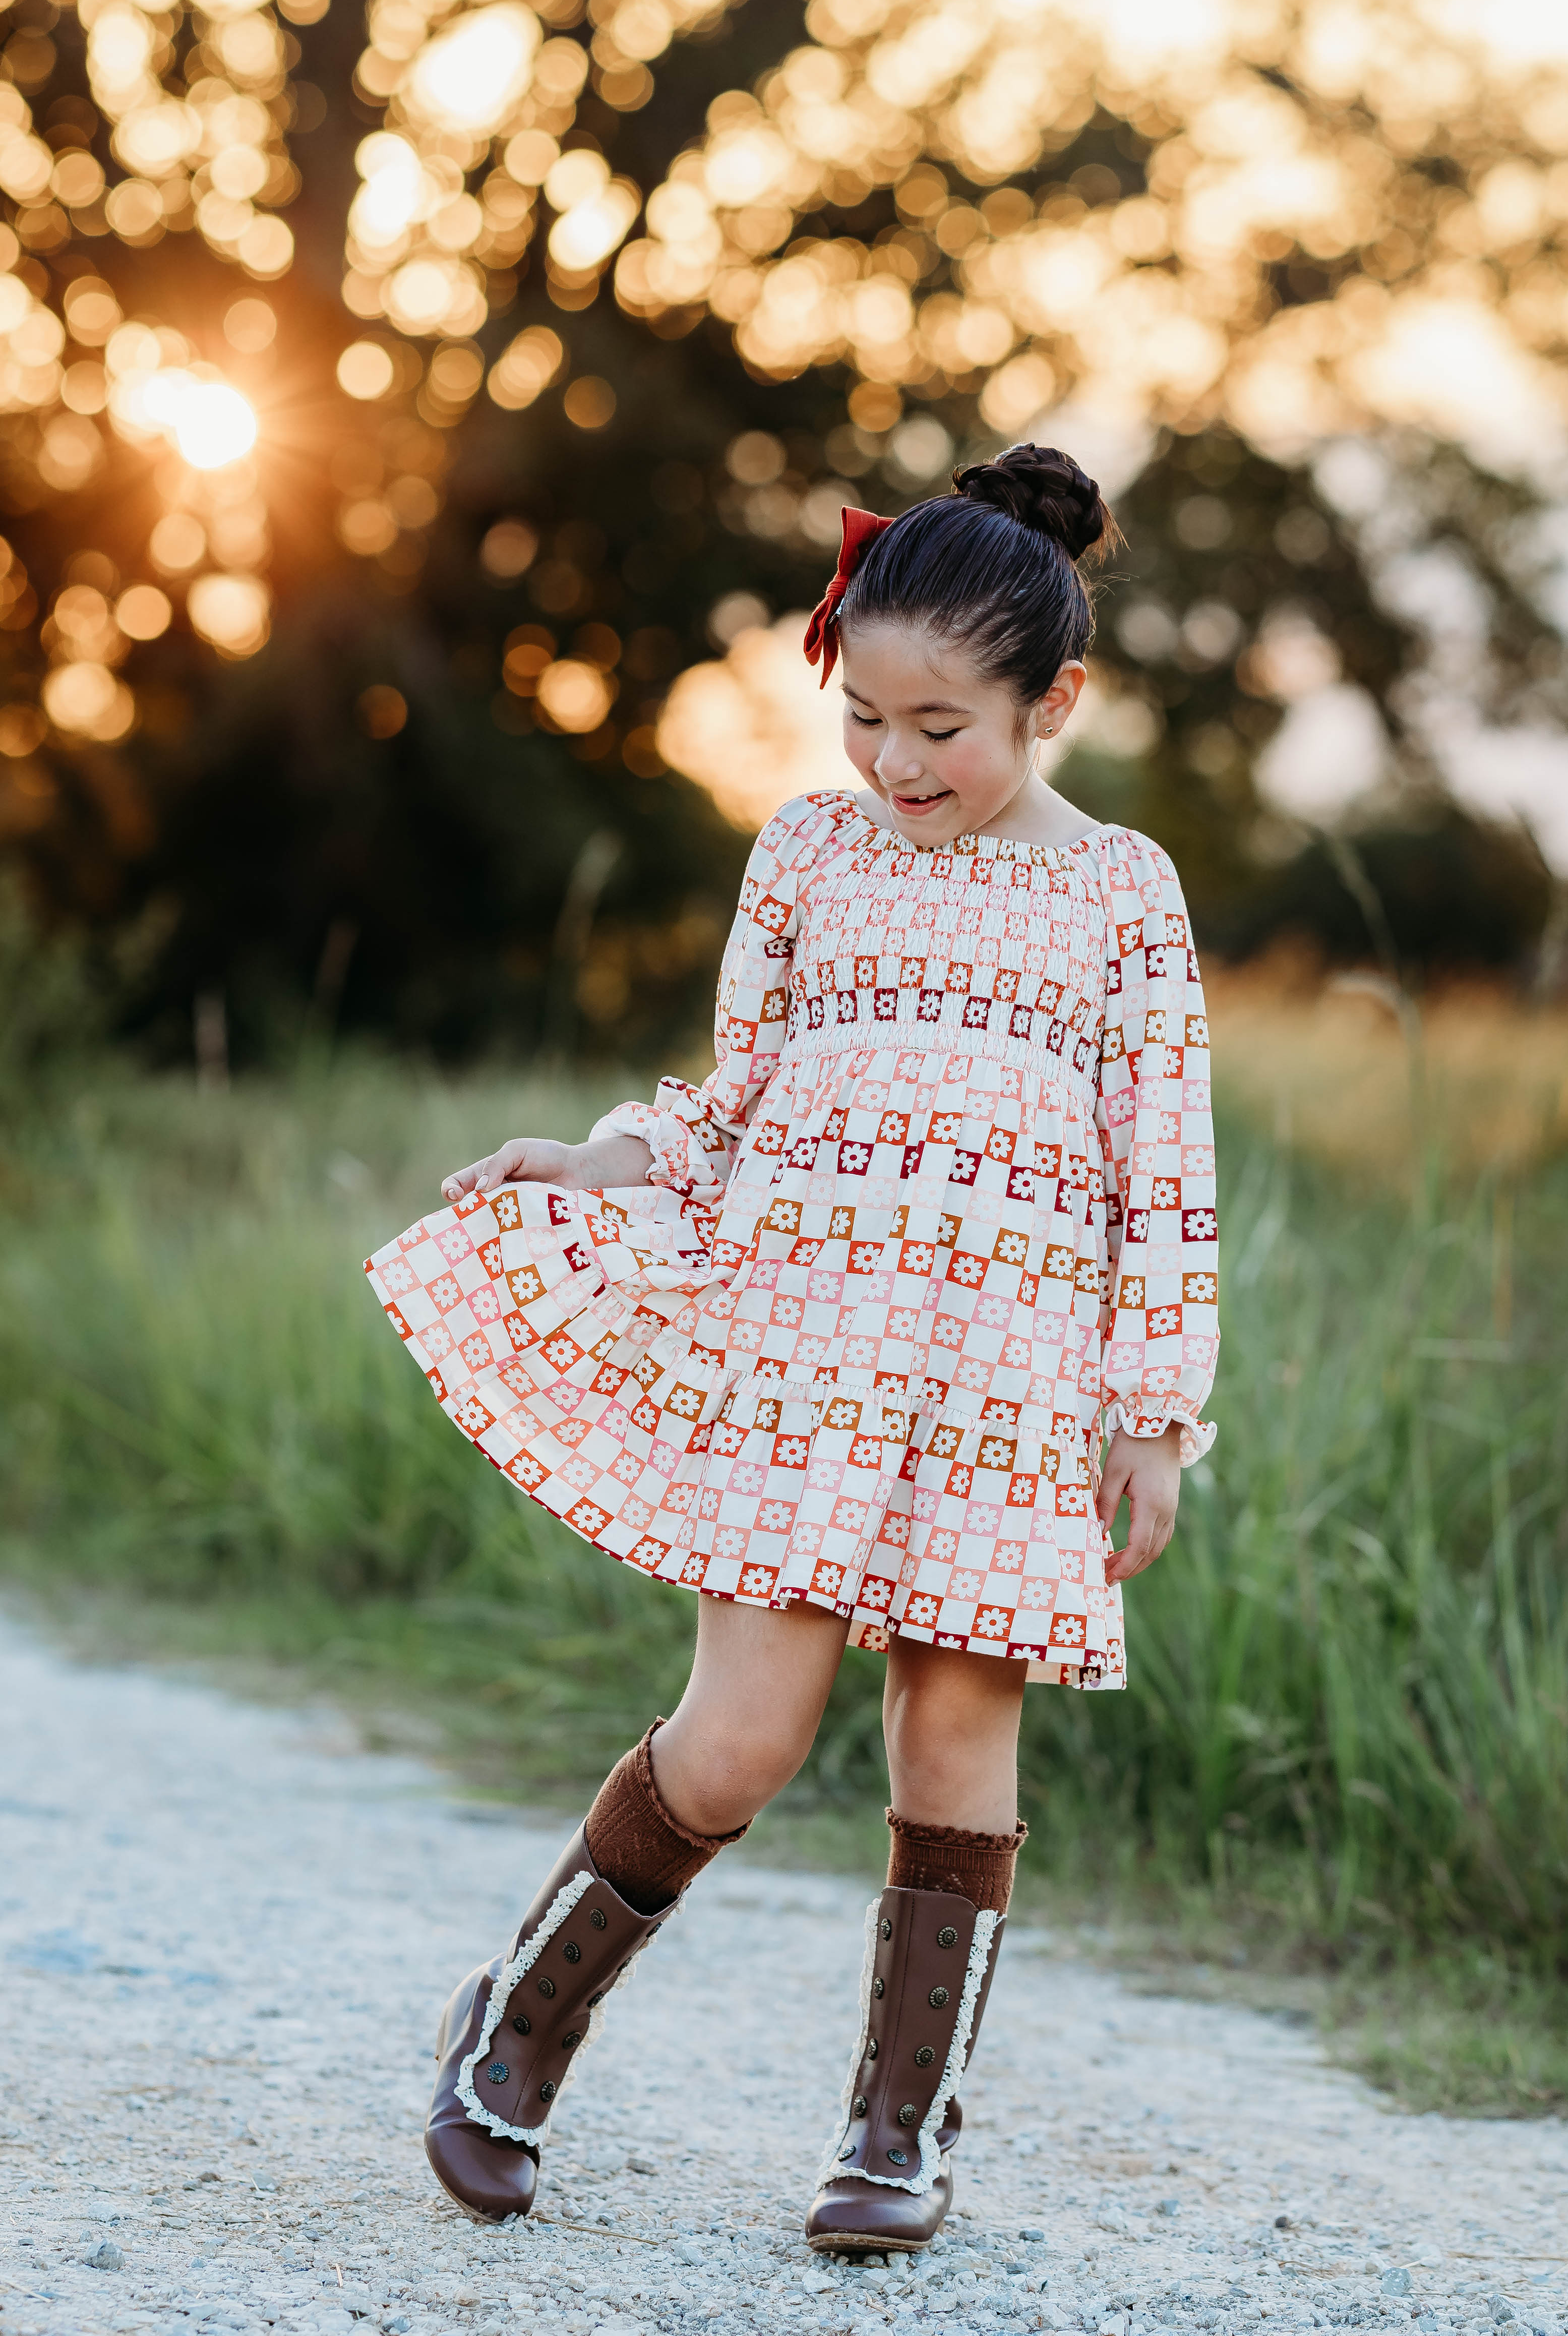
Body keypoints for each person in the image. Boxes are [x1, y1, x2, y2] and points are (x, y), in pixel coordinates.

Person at [364, 442, 1219, 2247]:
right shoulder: (812, 853)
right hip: (805, 1357)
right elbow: (737, 1096)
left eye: (943, 727)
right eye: (866, 717)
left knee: (954, 1750)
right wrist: (613, 1155)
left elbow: (1170, 1170)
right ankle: (510, 2032)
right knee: (741, 1740)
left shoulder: (1127, 894)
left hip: (1000, 1391)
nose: (898, 764)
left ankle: (897, 2134)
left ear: (1052, 700)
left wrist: (1153, 1408)